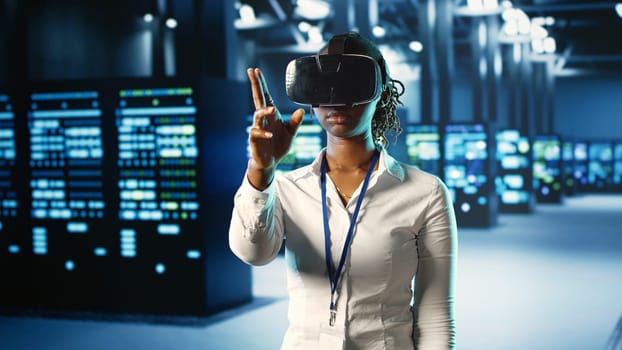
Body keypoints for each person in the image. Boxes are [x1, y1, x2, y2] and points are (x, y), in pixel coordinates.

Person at [229, 32, 457, 350]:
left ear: (382, 92)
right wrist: (261, 171)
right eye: (324, 88)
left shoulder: (426, 193)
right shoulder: (286, 188)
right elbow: (253, 253)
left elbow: (435, 317)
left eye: (352, 86)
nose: (336, 101)